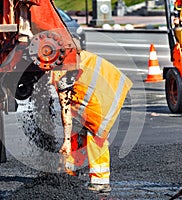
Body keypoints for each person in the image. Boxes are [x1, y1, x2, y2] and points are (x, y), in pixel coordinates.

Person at [50, 50, 132, 192]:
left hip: (104, 97)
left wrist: (66, 141)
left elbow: (66, 109)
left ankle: (100, 181)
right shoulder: (70, 55)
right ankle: (71, 172)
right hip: (101, 89)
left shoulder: (62, 75)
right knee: (78, 129)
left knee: (96, 135)